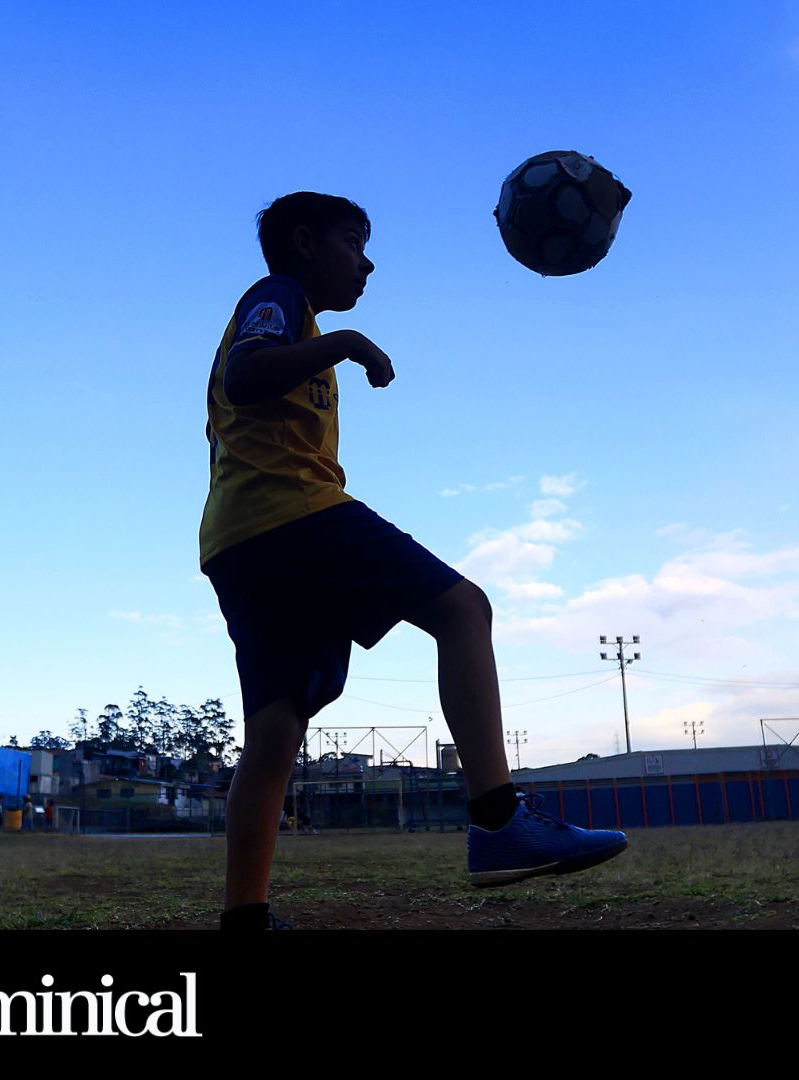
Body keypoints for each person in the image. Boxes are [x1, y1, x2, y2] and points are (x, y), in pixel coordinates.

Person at [199, 193, 627, 929]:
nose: (367, 261)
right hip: (293, 515)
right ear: (305, 244)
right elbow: (247, 375)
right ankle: (498, 821)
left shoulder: (294, 318)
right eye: (353, 241)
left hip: (237, 540)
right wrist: (348, 342)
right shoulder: (279, 297)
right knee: (464, 608)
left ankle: (246, 920)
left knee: (274, 731)